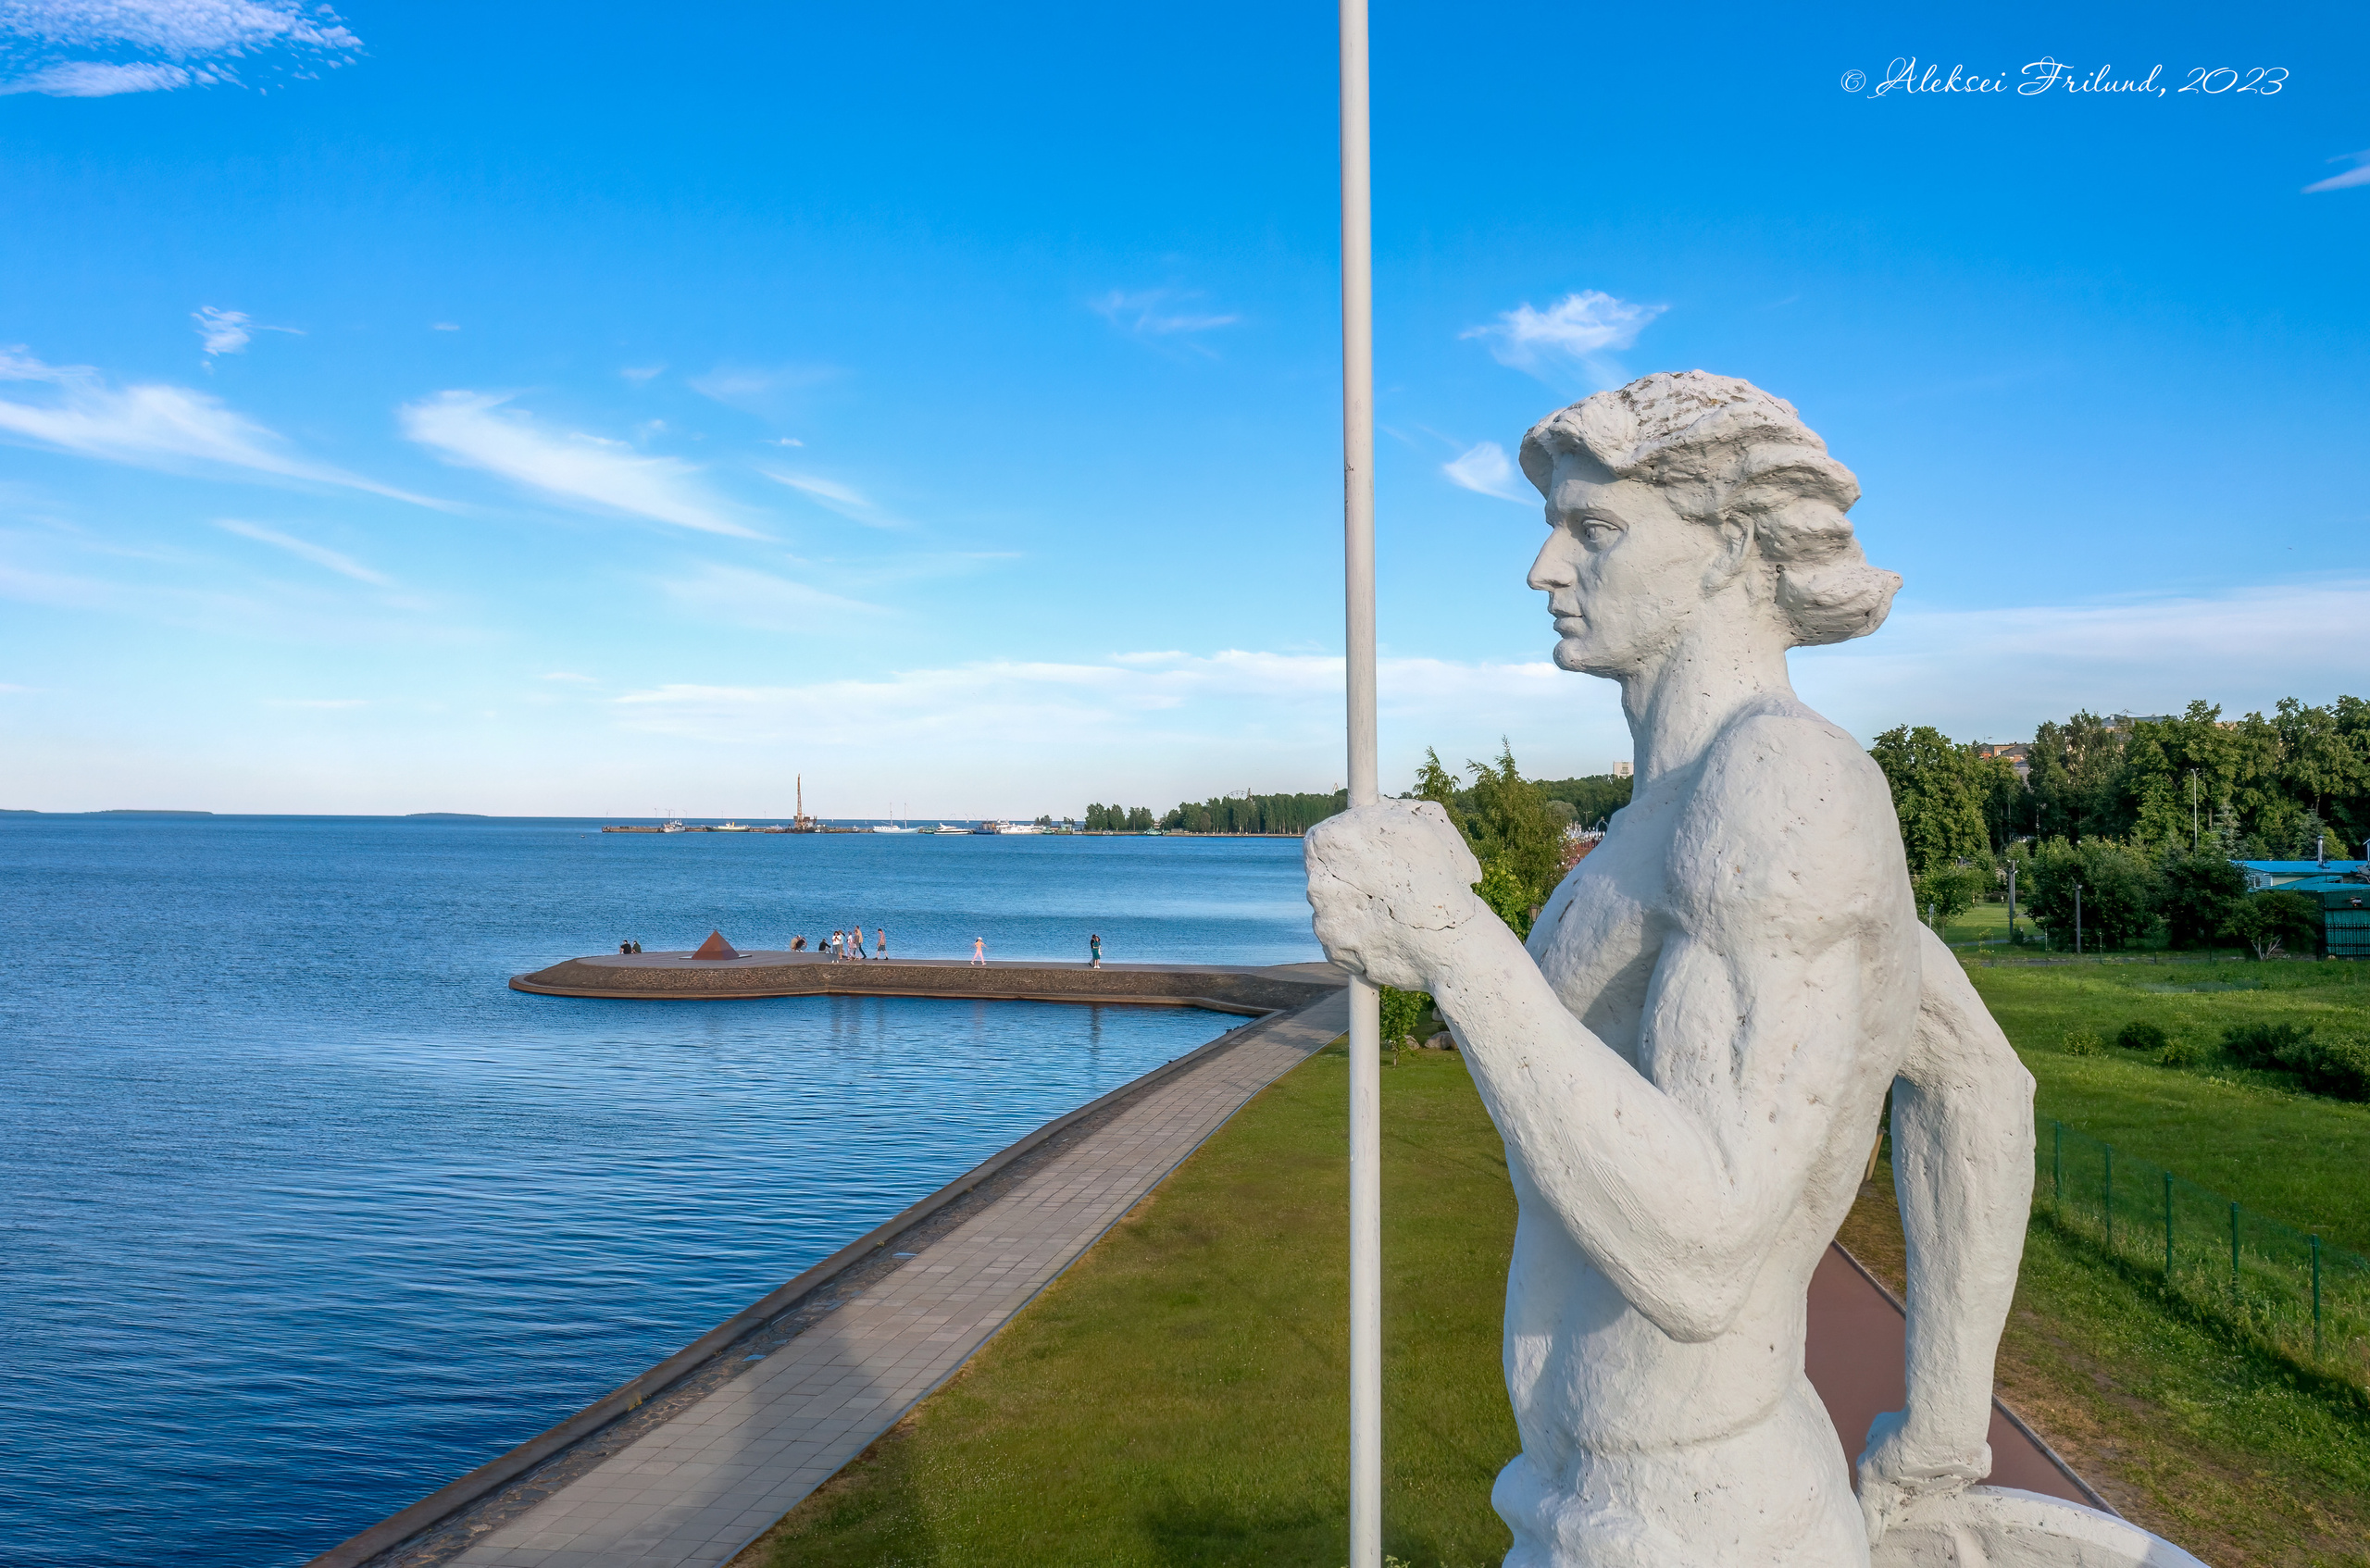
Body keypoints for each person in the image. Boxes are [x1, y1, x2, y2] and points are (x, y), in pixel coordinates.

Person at [1303, 372, 2032, 1564]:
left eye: (1594, 530)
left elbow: (1704, 1255)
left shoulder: (1784, 786)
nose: (1543, 569)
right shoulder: (1685, 806)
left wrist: (1452, 941)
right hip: (1597, 1499)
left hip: (1691, 1521)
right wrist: (1942, 1435)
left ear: (1729, 549)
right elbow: (1974, 1086)